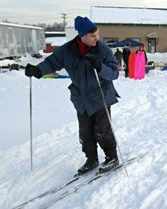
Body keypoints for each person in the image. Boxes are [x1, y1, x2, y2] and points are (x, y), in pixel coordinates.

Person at [25, 16, 120, 175]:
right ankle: (91, 159)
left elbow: (114, 73)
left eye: (97, 34)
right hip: (81, 98)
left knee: (102, 130)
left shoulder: (102, 49)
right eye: (92, 35)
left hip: (100, 95)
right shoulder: (67, 50)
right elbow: (52, 62)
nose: (97, 38)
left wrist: (100, 67)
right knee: (85, 132)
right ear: (82, 36)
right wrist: (38, 70)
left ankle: (112, 157)